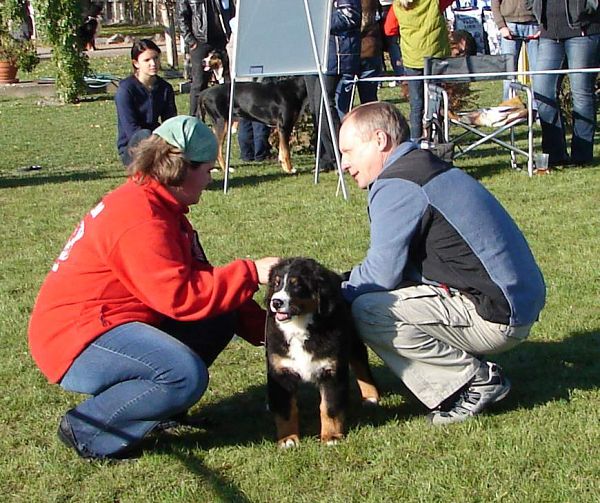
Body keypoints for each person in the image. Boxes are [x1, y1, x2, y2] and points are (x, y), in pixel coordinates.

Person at [28, 115, 280, 460]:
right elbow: (181, 297)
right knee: (183, 376)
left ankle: (154, 413)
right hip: (75, 339)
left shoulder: (157, 205)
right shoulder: (141, 217)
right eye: (207, 170)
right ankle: (87, 428)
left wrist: (275, 329)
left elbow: (200, 280)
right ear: (181, 169)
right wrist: (251, 272)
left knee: (219, 317)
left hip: (103, 323)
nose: (209, 179)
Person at [338, 102, 546, 424]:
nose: (344, 163)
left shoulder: (398, 184)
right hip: (515, 301)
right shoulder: (422, 166)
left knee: (367, 309)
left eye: (348, 151)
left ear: (380, 141)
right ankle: (464, 363)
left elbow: (381, 275)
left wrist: (333, 293)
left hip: (499, 317)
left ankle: (473, 381)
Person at [531, 0, 600, 167]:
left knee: (581, 94)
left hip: (583, 31)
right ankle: (555, 155)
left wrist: (587, 10)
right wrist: (535, 10)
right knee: (542, 93)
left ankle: (582, 156)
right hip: (548, 32)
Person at [304, 0, 362, 171]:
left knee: (325, 107)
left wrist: (315, 19)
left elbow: (350, 16)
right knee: (316, 109)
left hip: (334, 57)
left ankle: (341, 155)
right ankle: (326, 158)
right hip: (312, 56)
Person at [392, 0, 452, 140]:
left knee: (416, 103)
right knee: (436, 98)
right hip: (434, 57)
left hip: (413, 58)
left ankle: (415, 140)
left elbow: (389, 29)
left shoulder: (397, 4)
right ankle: (437, 137)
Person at [115, 39, 177, 166]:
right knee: (144, 134)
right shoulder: (125, 90)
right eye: (147, 60)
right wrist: (158, 143)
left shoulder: (165, 88)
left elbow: (170, 122)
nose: (153, 63)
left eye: (156, 58)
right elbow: (131, 130)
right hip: (133, 148)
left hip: (159, 143)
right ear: (136, 63)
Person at [177, 0, 234, 116]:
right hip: (200, 41)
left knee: (227, 80)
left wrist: (231, 33)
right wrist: (190, 40)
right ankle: (195, 118)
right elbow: (181, 16)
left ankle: (227, 117)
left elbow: (231, 11)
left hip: (222, 40)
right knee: (199, 83)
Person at [338, 0, 383, 116]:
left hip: (349, 52)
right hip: (370, 48)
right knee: (370, 103)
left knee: (343, 105)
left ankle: (342, 131)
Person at [491, 0, 540, 101]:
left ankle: (538, 112)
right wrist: (501, 26)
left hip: (534, 24)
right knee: (509, 75)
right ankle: (510, 110)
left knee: (537, 73)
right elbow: (495, 2)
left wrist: (542, 25)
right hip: (509, 25)